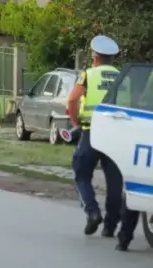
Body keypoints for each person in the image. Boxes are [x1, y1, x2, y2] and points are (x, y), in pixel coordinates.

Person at [66, 35, 123, 238]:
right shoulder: (121, 75)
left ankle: (92, 212)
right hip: (116, 135)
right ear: (112, 59)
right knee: (115, 182)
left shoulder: (88, 75)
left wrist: (75, 121)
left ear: (95, 57)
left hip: (92, 132)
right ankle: (110, 226)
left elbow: (73, 99)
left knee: (81, 174)